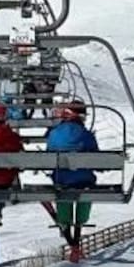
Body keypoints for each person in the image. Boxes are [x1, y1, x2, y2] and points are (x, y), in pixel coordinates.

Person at [46, 99, 99, 246]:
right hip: (84, 181)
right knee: (85, 188)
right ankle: (80, 222)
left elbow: (49, 153)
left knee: (63, 188)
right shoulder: (86, 134)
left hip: (62, 180)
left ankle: (64, 222)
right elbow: (96, 157)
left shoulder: (54, 133)